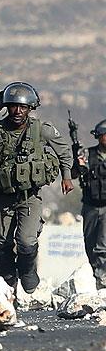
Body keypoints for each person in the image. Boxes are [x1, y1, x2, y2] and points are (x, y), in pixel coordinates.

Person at [0, 82, 73, 293]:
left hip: (29, 196)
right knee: (1, 244)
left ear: (30, 108)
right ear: (7, 107)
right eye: (13, 106)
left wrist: (66, 177)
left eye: (23, 107)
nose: (17, 111)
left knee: (26, 242)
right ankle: (7, 284)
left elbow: (64, 151)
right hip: (1, 196)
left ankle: (27, 271)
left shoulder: (41, 129)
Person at [76, 119, 106, 288]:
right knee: (90, 243)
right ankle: (96, 274)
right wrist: (78, 162)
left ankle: (102, 278)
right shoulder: (87, 154)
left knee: (103, 245)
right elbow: (75, 173)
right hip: (90, 206)